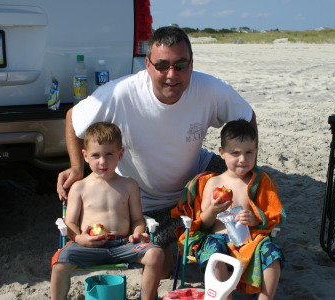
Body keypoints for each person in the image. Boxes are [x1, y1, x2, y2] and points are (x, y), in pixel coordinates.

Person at [56, 25, 257, 277]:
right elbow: (73, 118)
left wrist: (247, 168)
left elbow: (247, 117)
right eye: (162, 65)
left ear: (191, 64)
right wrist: (77, 167)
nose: (171, 74)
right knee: (161, 269)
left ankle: (235, 243)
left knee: (251, 182)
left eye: (180, 65)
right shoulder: (120, 93)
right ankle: (185, 237)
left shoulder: (210, 88)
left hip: (195, 187)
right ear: (148, 65)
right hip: (146, 201)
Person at [171, 119, 285, 300]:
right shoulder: (212, 182)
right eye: (235, 153)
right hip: (217, 236)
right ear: (222, 153)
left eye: (249, 153)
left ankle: (265, 298)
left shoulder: (258, 181)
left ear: (256, 152)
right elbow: (204, 224)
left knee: (273, 253)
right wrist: (214, 210)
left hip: (248, 239)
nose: (243, 159)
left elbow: (271, 214)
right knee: (212, 252)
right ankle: (226, 297)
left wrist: (255, 219)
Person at [51, 122, 163, 300]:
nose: (102, 161)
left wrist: (137, 234)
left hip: (123, 244)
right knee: (59, 263)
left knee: (155, 253)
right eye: (95, 155)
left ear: (120, 154)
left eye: (109, 154)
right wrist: (81, 238)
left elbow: (137, 220)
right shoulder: (79, 187)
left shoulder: (129, 185)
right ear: (85, 156)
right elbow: (70, 222)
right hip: (88, 245)